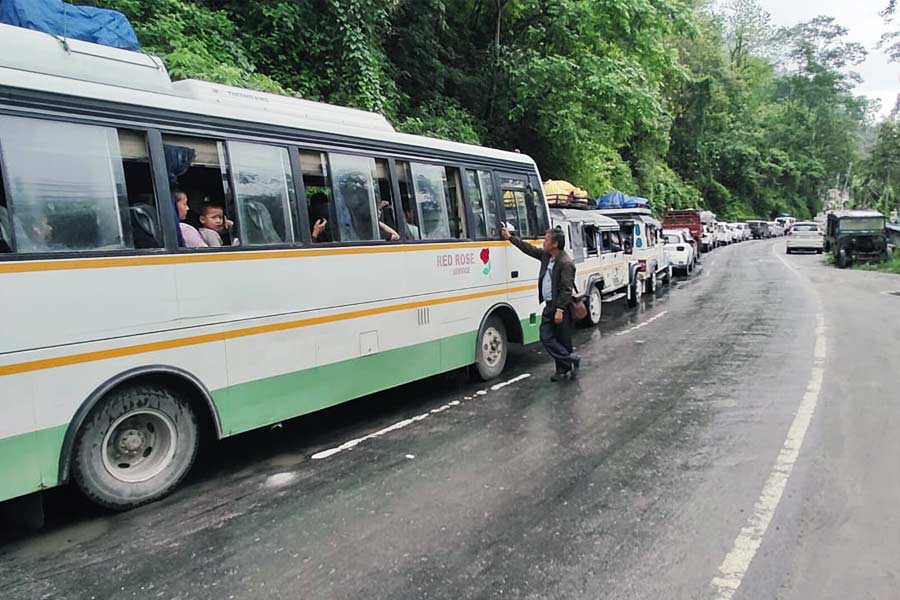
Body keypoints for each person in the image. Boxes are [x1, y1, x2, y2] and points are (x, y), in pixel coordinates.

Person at [502, 225, 581, 381]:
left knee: (562, 339)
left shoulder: (566, 263)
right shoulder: (547, 256)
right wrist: (510, 237)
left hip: (560, 307)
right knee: (546, 336)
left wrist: (559, 309)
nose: (543, 242)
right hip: (548, 305)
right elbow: (529, 249)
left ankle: (562, 370)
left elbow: (566, 289)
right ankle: (571, 359)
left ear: (555, 244)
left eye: (546, 239)